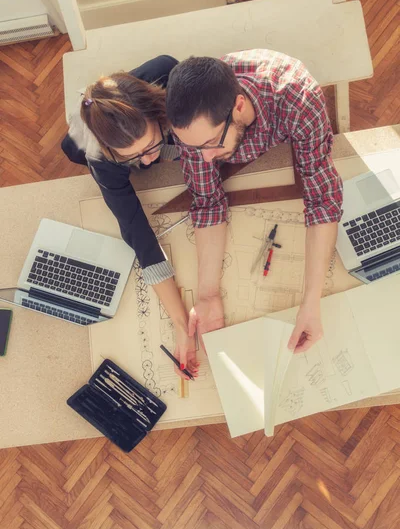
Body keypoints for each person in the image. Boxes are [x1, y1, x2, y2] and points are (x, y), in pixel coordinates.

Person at [166, 49, 343, 354]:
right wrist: (207, 295)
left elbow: (322, 199)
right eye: (192, 147)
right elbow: (207, 201)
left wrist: (311, 302)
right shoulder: (198, 132)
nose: (204, 157)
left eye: (210, 144)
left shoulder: (298, 98)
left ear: (238, 105)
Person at [61, 55, 198, 379]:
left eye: (151, 145)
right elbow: (137, 233)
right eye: (135, 157)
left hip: (149, 99)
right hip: (84, 142)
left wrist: (167, 147)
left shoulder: (168, 75)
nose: (149, 162)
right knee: (70, 147)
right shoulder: (100, 157)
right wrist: (180, 324)